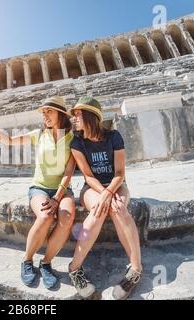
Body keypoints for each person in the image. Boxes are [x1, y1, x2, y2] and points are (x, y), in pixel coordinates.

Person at [0, 96, 76, 289]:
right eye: (43, 112)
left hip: (63, 189)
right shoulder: (37, 134)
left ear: (61, 114)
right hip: (39, 187)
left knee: (67, 217)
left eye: (49, 111)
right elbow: (8, 140)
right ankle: (27, 260)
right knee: (46, 216)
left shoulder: (73, 138)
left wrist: (57, 197)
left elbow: (69, 170)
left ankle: (46, 262)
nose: (45, 115)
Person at [67, 97, 142, 300]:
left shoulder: (113, 136)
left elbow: (119, 173)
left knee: (119, 209)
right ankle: (74, 268)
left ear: (90, 116)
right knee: (98, 210)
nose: (74, 117)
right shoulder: (77, 142)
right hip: (92, 187)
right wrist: (103, 195)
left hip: (116, 185)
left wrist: (109, 193)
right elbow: (88, 176)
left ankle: (136, 270)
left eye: (78, 114)